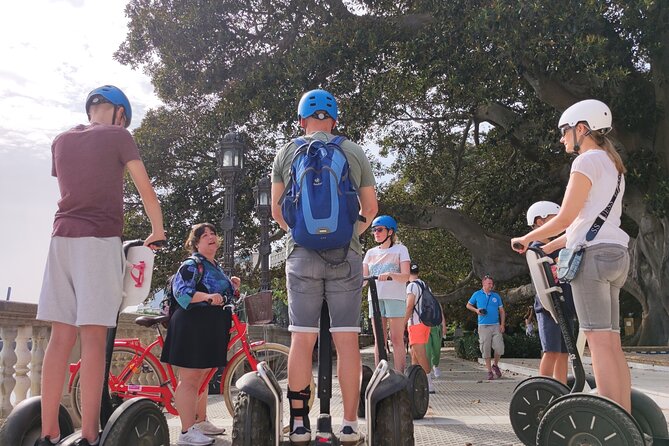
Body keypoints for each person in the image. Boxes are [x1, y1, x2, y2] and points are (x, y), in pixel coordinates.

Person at [35, 85, 165, 446]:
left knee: (60, 339)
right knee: (93, 339)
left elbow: (72, 187)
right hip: (98, 240)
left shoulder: (60, 140)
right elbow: (146, 190)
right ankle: (90, 436)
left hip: (60, 240)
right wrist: (157, 230)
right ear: (120, 113)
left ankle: (47, 434)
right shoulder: (119, 135)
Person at [271, 89, 378, 445]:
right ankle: (348, 424)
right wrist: (351, 235)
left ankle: (300, 424)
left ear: (301, 119)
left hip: (301, 255)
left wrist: (301, 236)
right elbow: (371, 207)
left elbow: (276, 211)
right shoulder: (352, 150)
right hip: (345, 256)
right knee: (347, 341)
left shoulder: (287, 152)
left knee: (302, 339)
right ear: (334, 119)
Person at [512, 99, 631, 412]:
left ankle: (610, 417)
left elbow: (565, 217)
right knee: (612, 343)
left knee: (598, 342)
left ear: (583, 129)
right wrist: (548, 247)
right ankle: (625, 417)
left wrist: (526, 237)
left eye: (565, 131)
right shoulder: (613, 165)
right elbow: (586, 222)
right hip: (616, 254)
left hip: (592, 258)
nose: (562, 137)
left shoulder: (585, 161)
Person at [160, 223, 239, 446]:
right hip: (192, 325)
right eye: (205, 235)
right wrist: (206, 297)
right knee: (191, 379)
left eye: (213, 233)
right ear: (196, 243)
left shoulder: (214, 266)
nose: (211, 237)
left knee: (204, 376)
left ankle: (201, 421)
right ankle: (186, 432)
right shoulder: (191, 264)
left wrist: (233, 287)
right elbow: (182, 293)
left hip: (209, 326)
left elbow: (225, 296)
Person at [525, 200, 577, 385]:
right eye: (554, 219)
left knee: (565, 352)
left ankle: (560, 390)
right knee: (551, 351)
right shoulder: (536, 249)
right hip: (548, 307)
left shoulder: (562, 246)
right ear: (540, 222)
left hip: (566, 305)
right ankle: (543, 389)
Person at [363, 215, 411, 373]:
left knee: (396, 339)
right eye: (374, 230)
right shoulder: (370, 253)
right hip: (375, 299)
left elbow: (406, 276)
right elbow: (363, 280)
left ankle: (399, 375)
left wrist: (390, 274)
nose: (376, 233)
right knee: (379, 340)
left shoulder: (400, 249)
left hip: (395, 298)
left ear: (390, 232)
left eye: (379, 229)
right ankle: (380, 375)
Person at [466, 275, 506, 380]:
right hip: (483, 326)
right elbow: (468, 305)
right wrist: (476, 310)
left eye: (492, 284)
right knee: (485, 348)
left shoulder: (496, 296)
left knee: (499, 347)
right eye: (489, 283)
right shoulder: (477, 294)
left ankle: (495, 365)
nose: (491, 285)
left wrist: (502, 324)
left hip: (496, 325)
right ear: (483, 284)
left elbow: (502, 311)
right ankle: (489, 371)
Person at [404, 263, 435, 393]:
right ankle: (413, 381)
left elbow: (409, 306)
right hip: (426, 323)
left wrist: (402, 324)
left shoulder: (411, 286)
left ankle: (429, 384)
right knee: (414, 354)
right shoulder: (425, 285)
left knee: (421, 355)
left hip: (416, 323)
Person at [426, 305, 447, 379]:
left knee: (436, 349)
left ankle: (435, 365)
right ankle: (427, 370)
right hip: (425, 328)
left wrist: (444, 326)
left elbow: (441, 314)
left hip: (436, 327)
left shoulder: (435, 301)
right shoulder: (420, 299)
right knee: (427, 350)